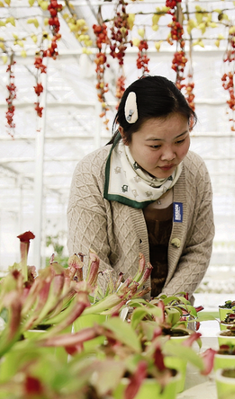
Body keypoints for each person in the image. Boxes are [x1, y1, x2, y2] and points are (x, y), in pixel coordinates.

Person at [68, 75, 214, 300]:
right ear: (125, 136)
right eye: (155, 145)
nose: (170, 155)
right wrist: (132, 312)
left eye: (180, 140)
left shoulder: (194, 170)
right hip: (110, 317)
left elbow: (198, 248)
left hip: (174, 317)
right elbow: (89, 259)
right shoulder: (93, 172)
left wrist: (166, 307)